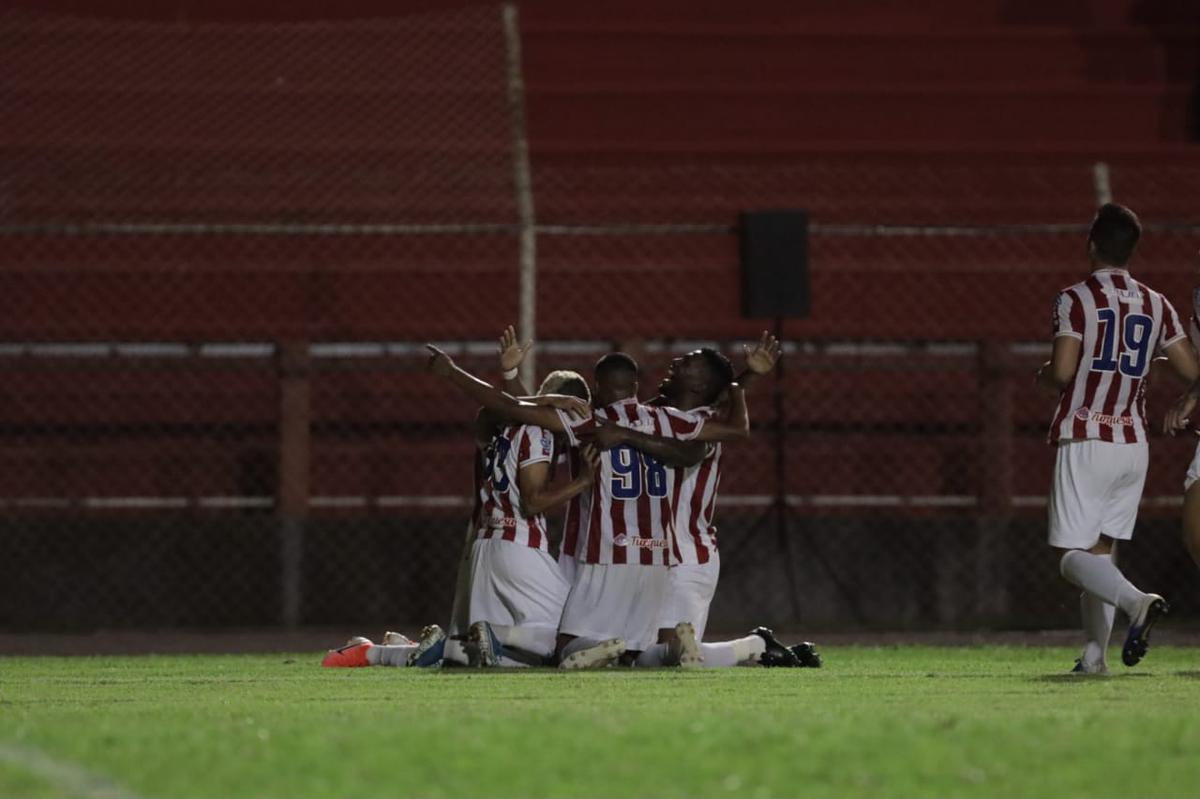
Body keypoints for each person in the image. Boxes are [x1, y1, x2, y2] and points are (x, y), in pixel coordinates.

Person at [425, 344, 747, 668]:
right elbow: (735, 431)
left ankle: (503, 637)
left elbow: (511, 408)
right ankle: (678, 650)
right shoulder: (667, 419)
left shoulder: (591, 421)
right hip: (657, 558)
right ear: (635, 386)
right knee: (638, 652)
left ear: (596, 387)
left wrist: (454, 372)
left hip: (605, 553)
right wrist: (738, 388)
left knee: (562, 641)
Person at [1037, 203, 1197, 674]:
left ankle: (1137, 602)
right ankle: (1095, 656)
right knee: (1099, 553)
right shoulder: (1156, 302)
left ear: (1091, 244)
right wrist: (1178, 393)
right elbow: (1193, 371)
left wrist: (1044, 377)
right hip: (1133, 444)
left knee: (1071, 557)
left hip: (1088, 435)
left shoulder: (1074, 298)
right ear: (1132, 251)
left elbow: (1064, 371)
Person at [624, 336, 821, 668]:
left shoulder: (708, 424)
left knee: (670, 659)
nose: (674, 364)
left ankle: (754, 647)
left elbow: (726, 408)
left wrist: (748, 377)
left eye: (686, 363)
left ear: (701, 384)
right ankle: (755, 650)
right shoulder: (659, 414)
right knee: (642, 656)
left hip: (690, 555)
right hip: (652, 553)